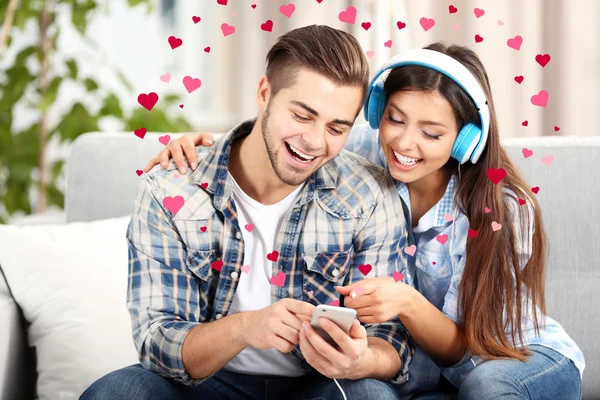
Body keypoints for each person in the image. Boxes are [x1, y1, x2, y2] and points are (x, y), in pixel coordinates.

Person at [148, 42, 585, 400]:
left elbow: (464, 350)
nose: (405, 143)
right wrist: (202, 148)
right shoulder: (360, 151)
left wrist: (405, 302)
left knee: (487, 386)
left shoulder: (502, 211)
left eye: (432, 133)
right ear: (377, 113)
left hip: (512, 356)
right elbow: (290, 140)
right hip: (429, 374)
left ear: (466, 139)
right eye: (394, 119)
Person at [80, 25, 414, 400]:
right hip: (205, 385)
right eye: (303, 116)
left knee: (371, 396)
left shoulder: (369, 194)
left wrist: (361, 360)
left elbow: (391, 342)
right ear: (264, 93)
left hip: (317, 387)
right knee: (119, 391)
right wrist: (245, 328)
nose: (315, 141)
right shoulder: (171, 189)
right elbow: (157, 341)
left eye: (336, 127)